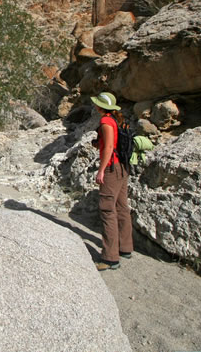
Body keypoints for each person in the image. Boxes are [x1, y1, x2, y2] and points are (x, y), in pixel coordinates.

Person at [91, 91, 133, 271]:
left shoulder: (106, 121)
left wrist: (101, 170)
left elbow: (109, 147)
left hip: (111, 168)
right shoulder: (117, 119)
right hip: (123, 167)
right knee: (122, 207)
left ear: (101, 106)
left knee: (107, 209)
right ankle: (125, 248)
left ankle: (110, 258)